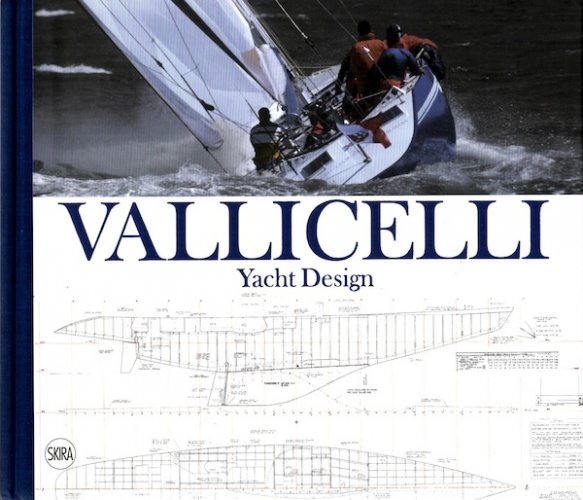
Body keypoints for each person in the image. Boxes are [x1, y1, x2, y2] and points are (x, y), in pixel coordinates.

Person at [345, 20, 386, 97]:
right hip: (382, 82)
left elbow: (353, 69)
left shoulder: (356, 47)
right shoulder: (381, 43)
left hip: (365, 86)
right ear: (370, 30)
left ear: (359, 32)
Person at [249, 108, 284, 172]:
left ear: (259, 117)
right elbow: (280, 142)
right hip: (274, 160)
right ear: (269, 116)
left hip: (260, 162)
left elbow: (254, 144)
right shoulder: (276, 127)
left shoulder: (254, 130)